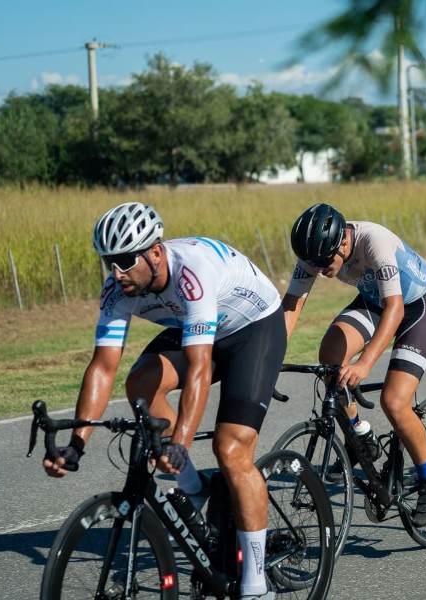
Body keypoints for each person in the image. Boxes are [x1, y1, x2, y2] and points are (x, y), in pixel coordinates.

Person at [43, 201, 284, 600]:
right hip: (194, 326)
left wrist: (181, 444)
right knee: (139, 384)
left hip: (252, 328)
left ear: (155, 253)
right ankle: (194, 487)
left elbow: (200, 369)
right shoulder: (117, 291)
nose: (117, 273)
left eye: (124, 261)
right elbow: (103, 367)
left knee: (231, 449)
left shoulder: (192, 273)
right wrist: (77, 444)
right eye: (109, 263)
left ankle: (257, 585)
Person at [283, 203, 426, 526]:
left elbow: (396, 310)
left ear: (343, 243)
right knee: (330, 357)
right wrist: (268, 358)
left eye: (324, 262)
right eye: (312, 263)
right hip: (374, 301)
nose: (318, 268)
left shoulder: (375, 242)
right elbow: (291, 306)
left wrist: (365, 362)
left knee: (394, 402)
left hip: (418, 307)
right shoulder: (316, 251)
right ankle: (361, 436)